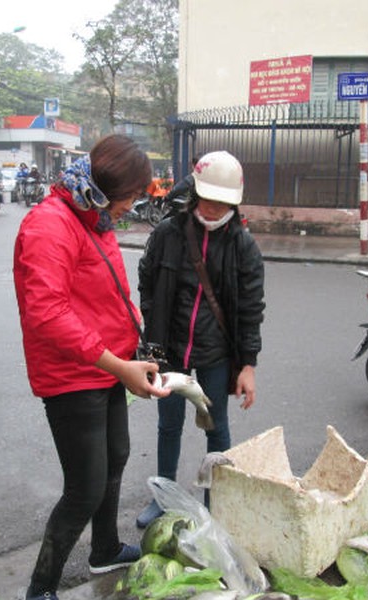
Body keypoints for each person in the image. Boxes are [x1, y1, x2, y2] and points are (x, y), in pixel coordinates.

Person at [13, 134, 170, 600]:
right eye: (132, 196)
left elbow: (106, 297)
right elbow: (47, 313)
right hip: (71, 375)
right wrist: (118, 365)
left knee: (116, 458)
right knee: (84, 487)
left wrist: (132, 356)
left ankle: (103, 548)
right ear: (106, 187)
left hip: (107, 366)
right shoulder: (50, 225)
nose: (134, 205)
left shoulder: (94, 217)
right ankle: (41, 587)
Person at [136, 150, 265, 528]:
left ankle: (214, 503)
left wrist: (248, 365)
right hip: (171, 349)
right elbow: (146, 280)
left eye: (221, 202)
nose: (212, 208)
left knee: (216, 426)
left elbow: (252, 308)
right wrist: (154, 328)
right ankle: (163, 498)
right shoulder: (167, 233)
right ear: (194, 193)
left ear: (234, 202)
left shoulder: (243, 246)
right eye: (207, 198)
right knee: (168, 424)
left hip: (216, 352)